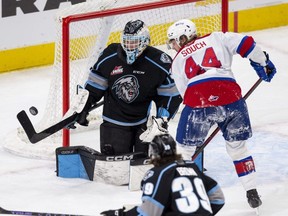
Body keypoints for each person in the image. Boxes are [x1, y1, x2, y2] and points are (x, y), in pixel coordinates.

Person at [166, 19, 277, 209]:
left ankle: (182, 196)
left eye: (174, 41)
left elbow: (187, 95)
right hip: (231, 97)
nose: (173, 47)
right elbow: (247, 44)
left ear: (182, 38)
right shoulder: (217, 37)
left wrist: (209, 113)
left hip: (199, 102)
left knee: (184, 151)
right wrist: (262, 63)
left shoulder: (176, 61)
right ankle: (252, 192)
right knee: (238, 148)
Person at [76, 19, 182, 156]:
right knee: (114, 165)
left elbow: (171, 94)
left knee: (143, 163)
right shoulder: (110, 56)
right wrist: (84, 107)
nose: (130, 46)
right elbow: (95, 85)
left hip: (143, 123)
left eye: (134, 42)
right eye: (127, 41)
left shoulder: (158, 62)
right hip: (114, 121)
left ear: (144, 41)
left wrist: (162, 119)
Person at [100, 133, 225, 216]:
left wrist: (121, 214)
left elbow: (150, 212)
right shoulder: (191, 167)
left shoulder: (158, 173)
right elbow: (218, 198)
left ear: (153, 153)